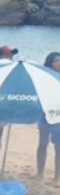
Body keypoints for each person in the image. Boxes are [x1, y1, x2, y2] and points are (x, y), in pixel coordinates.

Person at [37, 52, 60, 182]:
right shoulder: (44, 77)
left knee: (59, 147)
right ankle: (40, 172)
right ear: (50, 63)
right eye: (56, 61)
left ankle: (57, 176)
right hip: (45, 115)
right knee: (42, 144)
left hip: (59, 116)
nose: (59, 63)